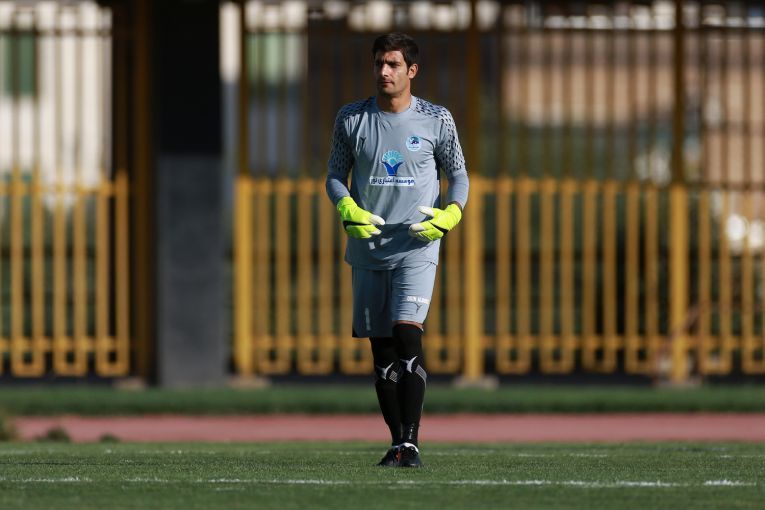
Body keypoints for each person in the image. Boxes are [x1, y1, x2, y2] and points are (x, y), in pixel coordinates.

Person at [325, 32, 469, 468]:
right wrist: (346, 207)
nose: (384, 72)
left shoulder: (436, 119)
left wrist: (451, 213)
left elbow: (459, 175)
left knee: (408, 333)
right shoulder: (351, 118)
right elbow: (334, 176)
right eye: (379, 64)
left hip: (416, 245)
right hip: (368, 248)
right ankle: (397, 444)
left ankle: (411, 441)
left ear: (412, 70)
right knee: (383, 352)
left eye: (392, 64)